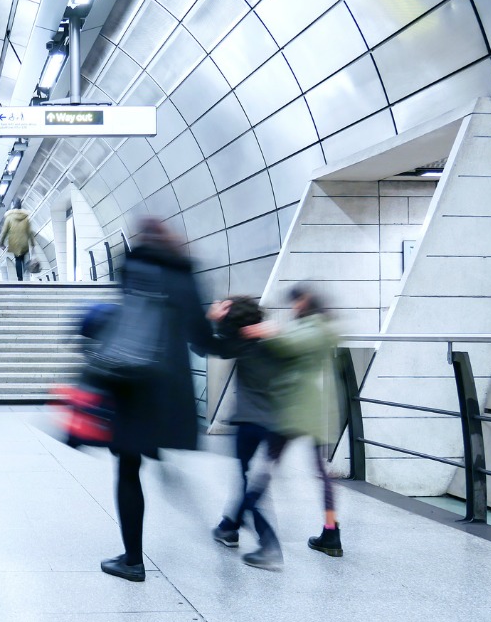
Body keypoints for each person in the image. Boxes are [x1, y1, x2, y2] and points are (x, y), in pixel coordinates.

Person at [100, 218, 218, 582]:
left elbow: (125, 326)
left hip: (133, 384)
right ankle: (161, 458)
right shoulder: (187, 274)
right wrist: (239, 339)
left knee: (127, 469)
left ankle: (132, 560)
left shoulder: (131, 268)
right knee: (145, 451)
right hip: (170, 388)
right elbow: (203, 340)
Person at [243, 285, 344, 557]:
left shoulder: (315, 328)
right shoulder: (319, 326)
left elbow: (291, 343)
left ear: (305, 301)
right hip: (313, 408)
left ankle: (241, 514)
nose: (293, 307)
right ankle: (330, 531)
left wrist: (269, 332)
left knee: (266, 464)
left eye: (296, 302)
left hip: (296, 407)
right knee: (319, 471)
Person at [207, 296, 284, 570]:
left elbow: (210, 345)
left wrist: (214, 320)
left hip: (252, 422)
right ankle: (228, 526)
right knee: (253, 480)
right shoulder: (275, 341)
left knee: (249, 483)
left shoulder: (244, 344)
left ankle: (269, 545)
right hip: (280, 423)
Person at [0, 201, 35, 281]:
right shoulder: (26, 218)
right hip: (24, 242)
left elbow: (4, 231)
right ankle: (25, 268)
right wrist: (32, 243)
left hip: (14, 242)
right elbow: (30, 232)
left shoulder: (9, 218)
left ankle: (20, 278)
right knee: (23, 258)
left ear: (13, 207)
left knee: (17, 259)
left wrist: (1, 243)